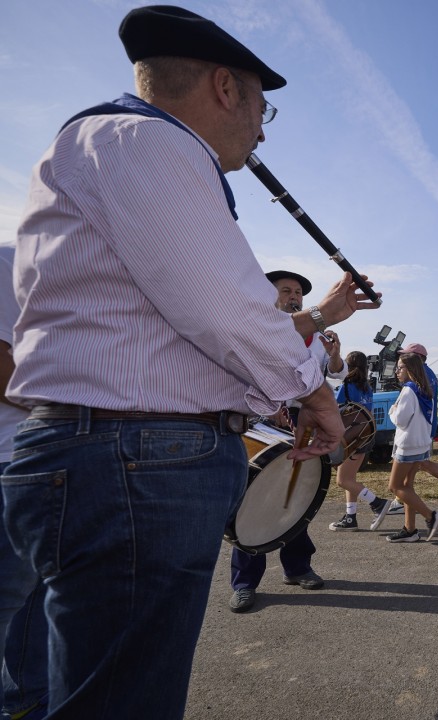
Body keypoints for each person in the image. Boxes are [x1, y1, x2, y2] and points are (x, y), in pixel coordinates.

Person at [1, 7, 378, 718]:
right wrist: (314, 392)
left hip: (114, 452)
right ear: (226, 88)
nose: (263, 131)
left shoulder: (112, 147)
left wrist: (310, 340)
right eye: (263, 109)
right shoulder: (147, 141)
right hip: (135, 457)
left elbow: (191, 317)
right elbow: (227, 312)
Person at [228, 270, 348, 613]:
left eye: (298, 292)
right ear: (271, 295)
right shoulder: (258, 327)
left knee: (297, 496)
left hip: (302, 422)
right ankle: (245, 582)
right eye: (286, 290)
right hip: (262, 420)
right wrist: (273, 408)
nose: (294, 296)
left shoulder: (318, 337)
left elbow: (336, 374)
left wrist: (335, 355)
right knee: (253, 499)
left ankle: (297, 568)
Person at [1, 245, 47, 720]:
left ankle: (27, 702)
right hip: (11, 462)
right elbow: (3, 372)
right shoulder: (8, 262)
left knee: (41, 601)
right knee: (10, 599)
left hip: (54, 460)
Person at [328, 351, 395, 531]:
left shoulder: (346, 386)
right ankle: (350, 517)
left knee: (342, 480)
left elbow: (334, 409)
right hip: (365, 435)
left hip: (350, 438)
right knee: (349, 478)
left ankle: (377, 503)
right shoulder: (367, 387)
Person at [384, 352, 438, 542]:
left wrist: (392, 410)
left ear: (410, 369)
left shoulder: (408, 391)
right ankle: (410, 529)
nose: (396, 371)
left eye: (400, 367)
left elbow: (400, 420)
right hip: (420, 443)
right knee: (407, 486)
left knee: (394, 486)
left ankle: (431, 516)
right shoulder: (424, 389)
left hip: (407, 445)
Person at [400, 342, 438, 509]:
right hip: (426, 425)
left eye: (407, 355)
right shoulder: (429, 373)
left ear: (418, 358)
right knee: (416, 463)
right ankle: (401, 498)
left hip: (418, 427)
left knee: (418, 462)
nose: (403, 358)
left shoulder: (420, 374)